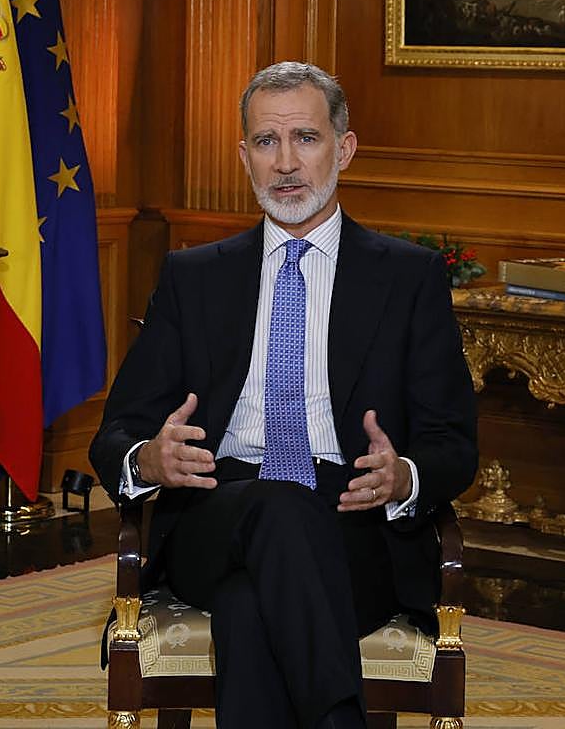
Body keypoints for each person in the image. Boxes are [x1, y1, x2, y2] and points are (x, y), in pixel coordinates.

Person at [90, 61, 477, 729]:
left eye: (306, 138)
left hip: (353, 518)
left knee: (247, 607)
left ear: (343, 149)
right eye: (267, 142)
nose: (287, 163)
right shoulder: (193, 277)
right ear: (244, 156)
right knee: (276, 505)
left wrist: (403, 476)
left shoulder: (408, 278)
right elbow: (116, 433)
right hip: (218, 510)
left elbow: (454, 443)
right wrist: (149, 460)